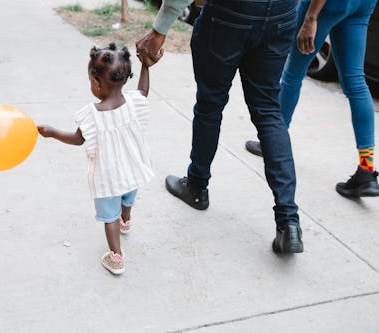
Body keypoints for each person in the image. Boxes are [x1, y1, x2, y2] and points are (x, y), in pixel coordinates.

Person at [136, 0, 304, 253]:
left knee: (210, 105)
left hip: (231, 13)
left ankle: (197, 186)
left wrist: (159, 29)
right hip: (282, 12)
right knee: (269, 111)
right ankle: (288, 222)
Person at [38, 43, 154, 274]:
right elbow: (143, 90)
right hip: (132, 171)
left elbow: (77, 139)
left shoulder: (91, 116)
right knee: (127, 199)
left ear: (96, 83)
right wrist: (145, 66)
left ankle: (116, 257)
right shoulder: (133, 103)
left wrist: (52, 133)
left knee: (108, 217)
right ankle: (126, 221)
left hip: (108, 179)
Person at [245, 0, 379, 198]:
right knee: (357, 84)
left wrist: (311, 17)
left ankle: (272, 144)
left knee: (293, 74)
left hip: (325, 5)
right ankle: (366, 171)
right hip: (363, 3)